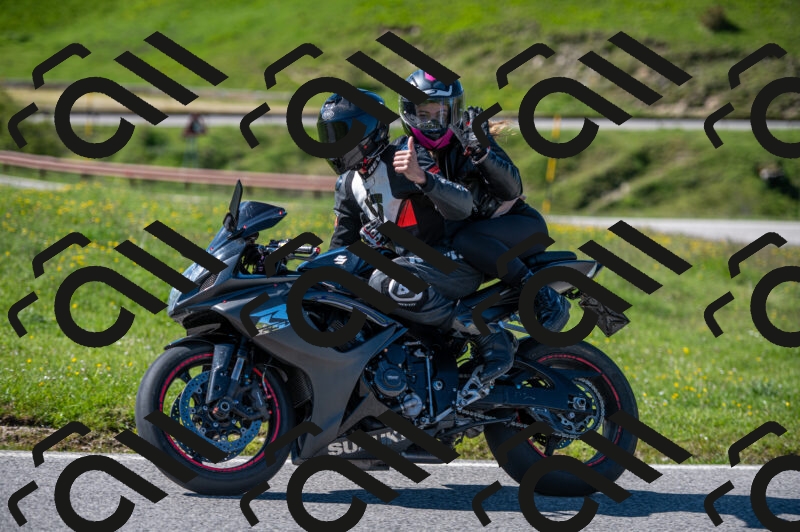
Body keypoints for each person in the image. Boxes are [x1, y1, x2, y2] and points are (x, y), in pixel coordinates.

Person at [317, 90, 520, 393]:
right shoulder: (347, 184)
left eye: (343, 134)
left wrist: (422, 177)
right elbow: (340, 247)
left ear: (369, 132)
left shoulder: (403, 155)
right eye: (330, 136)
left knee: (384, 281)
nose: (335, 144)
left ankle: (485, 333)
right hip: (413, 269)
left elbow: (463, 206)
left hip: (452, 262)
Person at [398, 70, 571, 379]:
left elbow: (512, 189)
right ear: (409, 113)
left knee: (465, 239)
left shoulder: (471, 138)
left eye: (441, 113)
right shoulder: (410, 152)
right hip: (475, 240)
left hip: (517, 227)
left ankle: (543, 296)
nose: (433, 122)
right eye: (424, 114)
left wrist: (481, 150)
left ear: (454, 111)